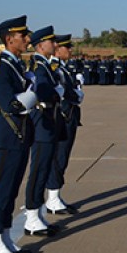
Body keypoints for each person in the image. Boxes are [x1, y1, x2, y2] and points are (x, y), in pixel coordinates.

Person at [0, 15, 36, 253]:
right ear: (9, 39)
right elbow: (10, 103)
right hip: (8, 133)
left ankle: (4, 238)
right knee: (1, 189)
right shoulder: (0, 67)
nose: (28, 39)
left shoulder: (17, 65)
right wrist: (33, 95)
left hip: (21, 133)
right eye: (23, 35)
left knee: (11, 189)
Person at [24, 26, 64, 237]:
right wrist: (56, 92)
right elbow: (42, 91)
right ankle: (31, 217)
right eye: (52, 42)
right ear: (41, 45)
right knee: (38, 171)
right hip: (41, 124)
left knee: (44, 169)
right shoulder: (40, 67)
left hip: (49, 122)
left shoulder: (46, 66)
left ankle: (37, 215)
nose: (55, 45)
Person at [45, 34, 84, 215]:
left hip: (69, 117)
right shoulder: (54, 68)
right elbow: (67, 94)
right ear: (58, 49)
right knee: (58, 157)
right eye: (67, 47)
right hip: (62, 117)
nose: (70, 50)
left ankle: (56, 195)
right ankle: (52, 198)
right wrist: (77, 94)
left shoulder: (63, 68)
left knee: (63, 157)